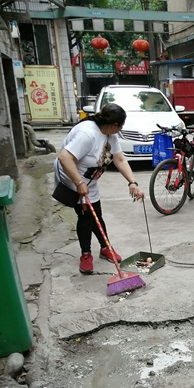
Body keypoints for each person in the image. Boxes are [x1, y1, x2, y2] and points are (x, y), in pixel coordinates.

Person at [53, 103, 144, 275]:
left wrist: (132, 182)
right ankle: (86, 254)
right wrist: (79, 183)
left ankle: (105, 247)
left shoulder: (111, 135)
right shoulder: (87, 134)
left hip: (90, 180)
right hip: (73, 177)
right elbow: (64, 157)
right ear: (114, 125)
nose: (122, 128)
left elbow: (119, 160)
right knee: (86, 216)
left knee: (96, 214)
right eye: (121, 125)